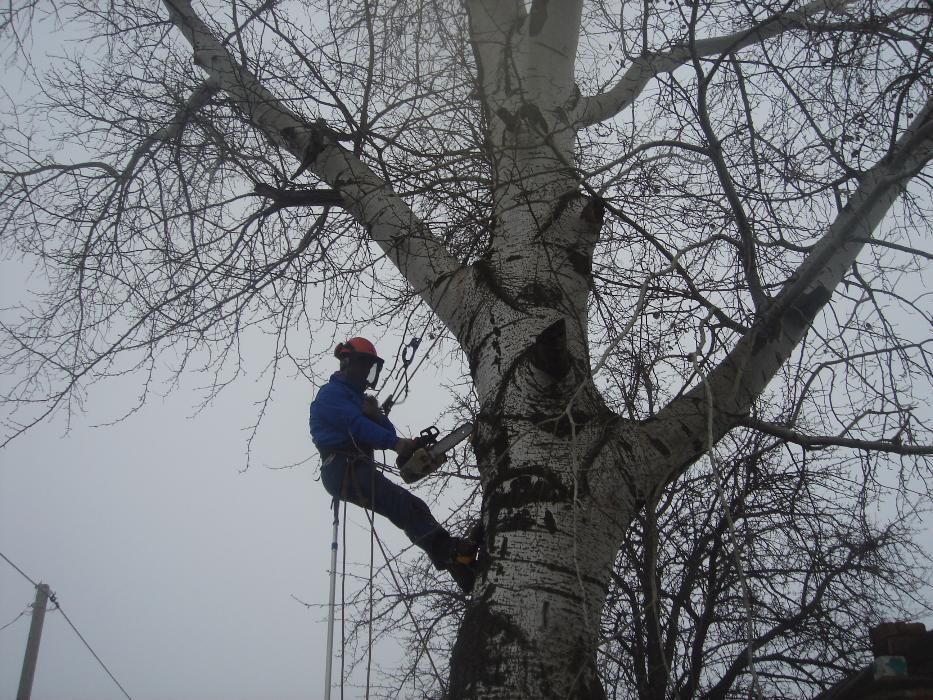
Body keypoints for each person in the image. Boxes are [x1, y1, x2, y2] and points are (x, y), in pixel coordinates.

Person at [309, 337, 476, 593]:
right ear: (347, 363)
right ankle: (447, 551)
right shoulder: (331, 394)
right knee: (399, 503)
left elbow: (381, 429)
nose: (367, 374)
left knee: (412, 505)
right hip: (340, 467)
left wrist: (395, 433)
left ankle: (458, 565)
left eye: (371, 369)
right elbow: (356, 426)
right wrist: (395, 443)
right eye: (364, 366)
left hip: (357, 467)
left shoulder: (359, 401)